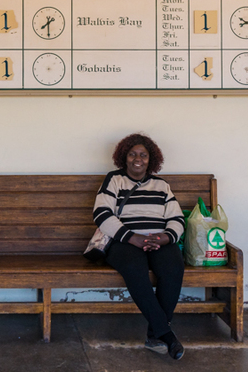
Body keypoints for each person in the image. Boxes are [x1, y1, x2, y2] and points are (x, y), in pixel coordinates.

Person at [92, 133, 186, 360]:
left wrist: (165, 237)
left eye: (143, 155)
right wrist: (131, 237)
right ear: (124, 157)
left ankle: (155, 335)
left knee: (173, 267)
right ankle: (165, 334)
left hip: (157, 240)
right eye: (132, 154)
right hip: (124, 241)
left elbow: (177, 218)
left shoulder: (162, 185)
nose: (138, 159)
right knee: (135, 268)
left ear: (150, 159)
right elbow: (101, 213)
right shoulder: (114, 179)